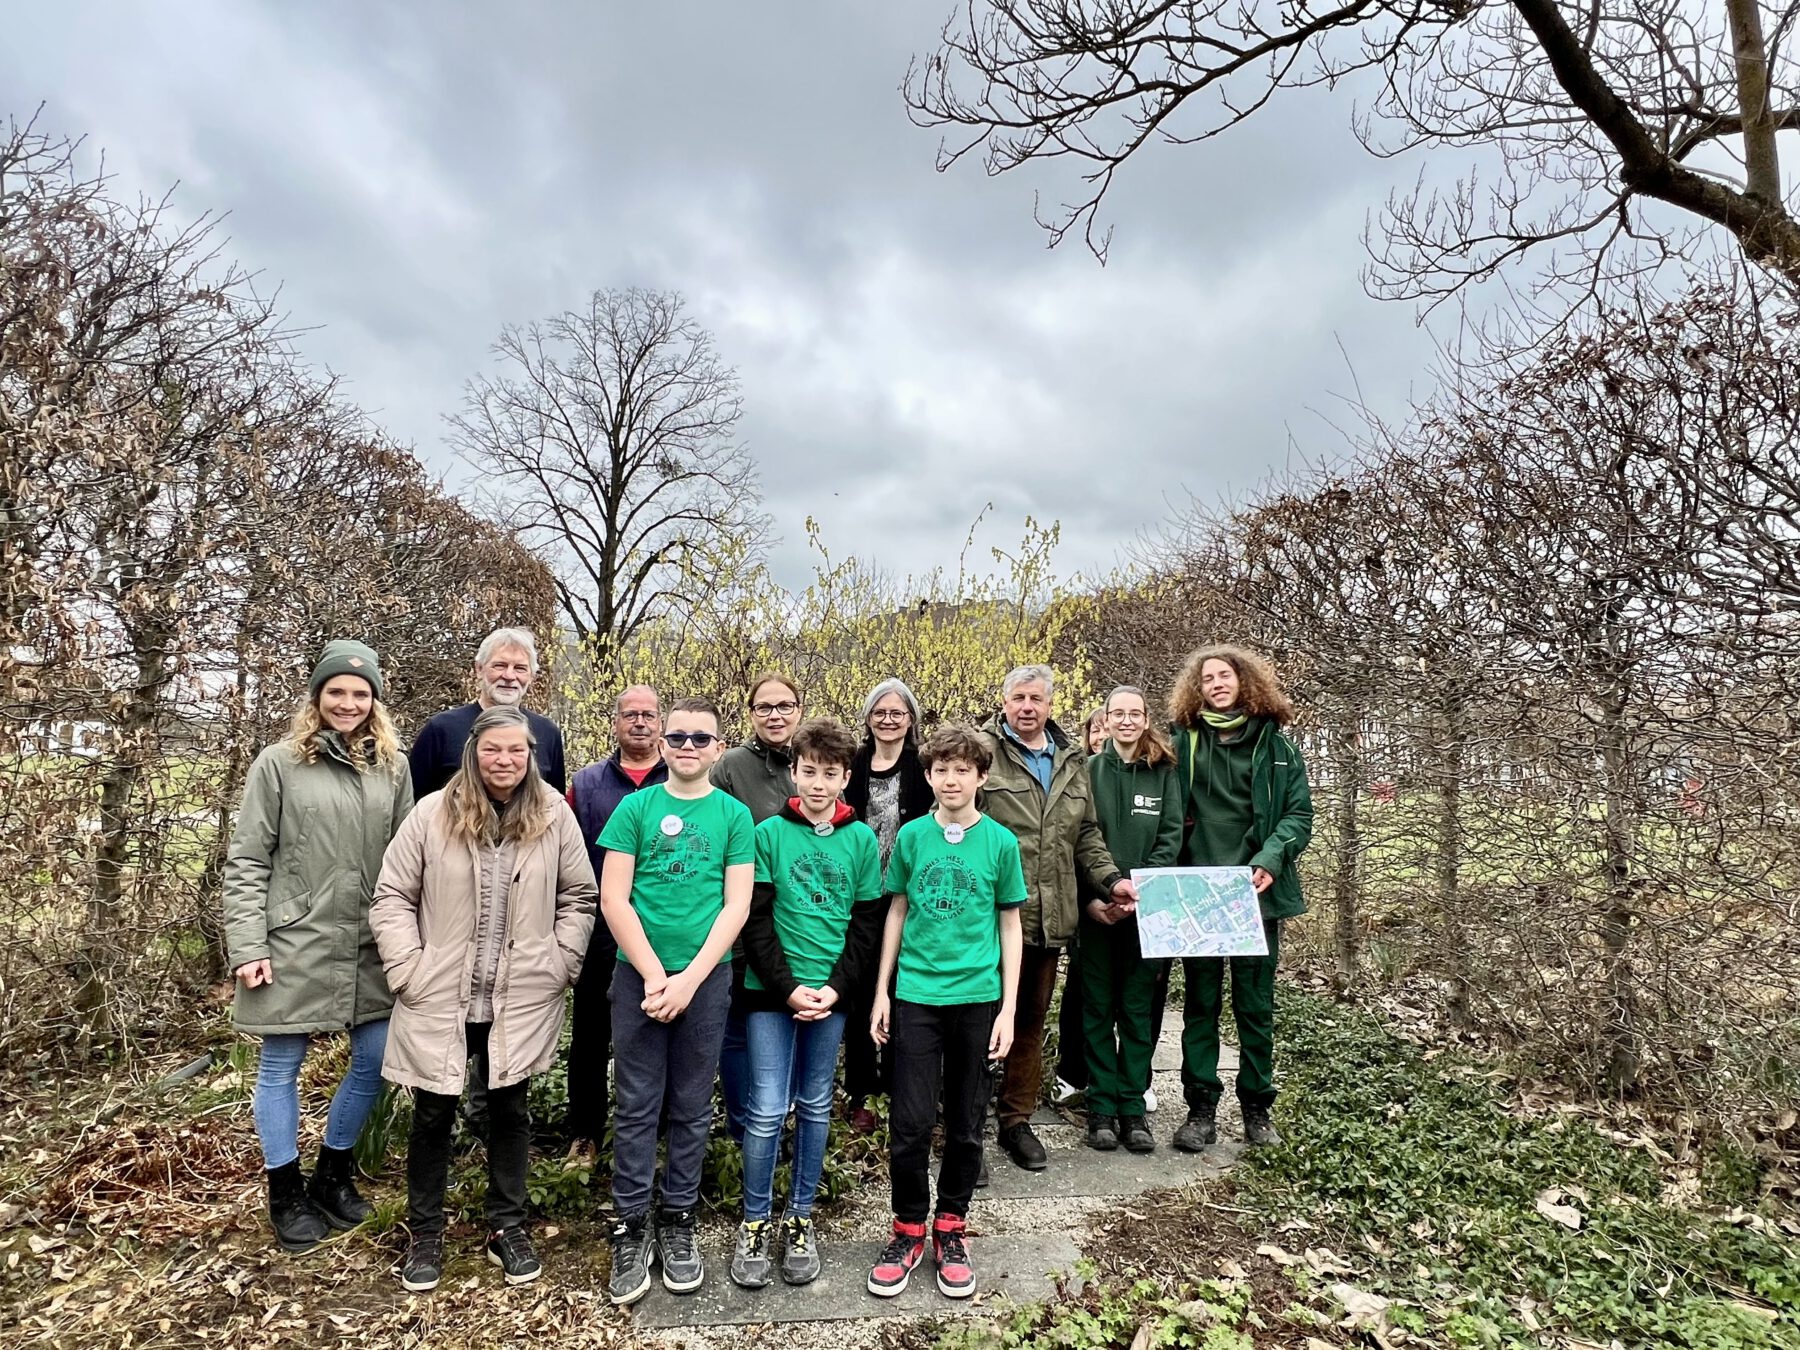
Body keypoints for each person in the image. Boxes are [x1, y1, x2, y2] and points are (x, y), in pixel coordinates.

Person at [371, 706, 596, 1292]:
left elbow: (579, 898)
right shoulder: (431, 815)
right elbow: (392, 895)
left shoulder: (553, 816)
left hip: (519, 995)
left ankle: (506, 1225)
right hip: (440, 993)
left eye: (516, 752)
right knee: (433, 1114)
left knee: (509, 1111)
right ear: (474, 753)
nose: (505, 762)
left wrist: (558, 963)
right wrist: (407, 968)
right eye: (493, 751)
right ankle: (425, 1233)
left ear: (531, 756)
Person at [223, 640, 413, 1253]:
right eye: (337, 692)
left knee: (377, 1059)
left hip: (368, 940)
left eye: (361, 694)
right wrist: (248, 943)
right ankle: (285, 1191)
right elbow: (249, 859)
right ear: (317, 697)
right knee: (281, 1067)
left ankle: (332, 1174)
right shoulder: (278, 764)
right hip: (292, 938)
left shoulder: (393, 766)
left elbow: (410, 861)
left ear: (375, 700)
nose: (349, 703)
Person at [599, 697, 755, 1306]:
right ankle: (631, 1223)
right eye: (678, 737)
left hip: (707, 979)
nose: (688, 747)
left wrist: (688, 980)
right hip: (637, 977)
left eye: (701, 738)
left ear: (718, 748)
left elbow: (736, 905)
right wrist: (655, 976)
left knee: (692, 1104)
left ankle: (678, 1218)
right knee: (637, 1103)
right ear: (662, 744)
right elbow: (614, 899)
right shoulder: (634, 809)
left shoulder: (734, 816)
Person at [868, 725, 1024, 1300]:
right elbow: (898, 912)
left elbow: (1010, 925)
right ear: (928, 776)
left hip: (978, 1002)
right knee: (909, 1123)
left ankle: (951, 1228)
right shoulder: (911, 837)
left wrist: (1008, 1009)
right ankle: (908, 1228)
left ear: (981, 777)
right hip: (917, 999)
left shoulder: (1000, 843)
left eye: (963, 770)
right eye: (940, 770)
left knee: (965, 1122)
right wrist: (882, 991)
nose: (951, 779)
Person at [732, 719, 884, 1290]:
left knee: (816, 1103)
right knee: (769, 1107)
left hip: (832, 994)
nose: (818, 784)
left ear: (846, 778)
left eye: (831, 773)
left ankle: (800, 1217)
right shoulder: (768, 833)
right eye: (809, 771)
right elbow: (755, 919)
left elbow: (865, 925)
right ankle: (754, 1221)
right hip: (773, 993)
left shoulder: (862, 840)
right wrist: (786, 988)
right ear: (794, 772)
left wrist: (836, 989)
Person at [979, 666, 1132, 1173]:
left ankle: (1015, 1122)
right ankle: (968, 1124)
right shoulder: (984, 754)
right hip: (987, 920)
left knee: (1028, 1022)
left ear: (1050, 704)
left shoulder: (1071, 761)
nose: (1027, 706)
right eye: (1018, 697)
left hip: (1048, 920)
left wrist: (1111, 882)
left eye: (1037, 698)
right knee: (976, 1022)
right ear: (1004, 703)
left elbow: (1085, 836)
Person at [1167, 645, 1313, 1152]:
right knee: (1201, 1005)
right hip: (1200, 893)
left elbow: (1298, 815)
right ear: (1197, 688)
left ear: (1245, 681)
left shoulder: (1277, 746)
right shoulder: (1181, 742)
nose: (1215, 683)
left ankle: (1256, 1108)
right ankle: (1200, 1108)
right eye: (1206, 678)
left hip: (1255, 893)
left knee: (1255, 1005)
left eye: (1224, 675)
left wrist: (1271, 858)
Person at [563, 685, 669, 1166]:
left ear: (661, 723)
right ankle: (584, 1132)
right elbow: (567, 856)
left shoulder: (683, 778)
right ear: (615, 723)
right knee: (590, 1036)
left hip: (667, 932)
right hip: (600, 932)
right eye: (631, 715)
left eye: (649, 715)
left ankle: (659, 1130)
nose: (640, 723)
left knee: (659, 1032)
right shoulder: (585, 785)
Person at [1081, 686, 1183, 1153]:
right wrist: (1104, 894)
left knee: (1138, 1011)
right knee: (1099, 1008)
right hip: (1100, 913)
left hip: (1149, 911)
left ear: (1145, 720)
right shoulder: (1088, 770)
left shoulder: (1163, 772)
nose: (1126, 721)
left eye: (1134, 714)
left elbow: (1170, 835)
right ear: (1105, 719)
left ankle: (1132, 1106)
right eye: (1117, 713)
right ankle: (1100, 1108)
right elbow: (1081, 839)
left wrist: (1141, 890)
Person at [710, 673, 804, 1143]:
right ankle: (743, 1123)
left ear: (799, 711)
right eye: (765, 707)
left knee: (785, 1023)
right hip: (740, 916)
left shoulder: (813, 762)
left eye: (784, 706)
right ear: (751, 714)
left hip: (798, 921)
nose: (775, 715)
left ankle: (780, 1118)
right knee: (737, 1028)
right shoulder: (730, 767)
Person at [841, 677, 933, 1131]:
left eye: (898, 712)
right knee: (859, 992)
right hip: (860, 896)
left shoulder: (923, 766)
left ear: (911, 719)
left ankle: (901, 1087)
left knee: (901, 990)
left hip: (908, 895)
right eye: (880, 711)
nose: (888, 719)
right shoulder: (852, 764)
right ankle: (861, 1091)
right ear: (868, 717)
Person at [409, 627, 567, 799]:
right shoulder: (441, 729)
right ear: (479, 669)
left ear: (532, 676)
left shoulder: (548, 733)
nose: (509, 675)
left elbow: (554, 806)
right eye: (500, 665)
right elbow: (415, 804)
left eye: (520, 668)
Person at [1050, 703, 1111, 1105]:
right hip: (1078, 901)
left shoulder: (1153, 775)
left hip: (1117, 893)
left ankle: (1124, 1078)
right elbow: (1069, 844)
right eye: (1096, 730)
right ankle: (1071, 1071)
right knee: (1079, 990)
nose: (1103, 736)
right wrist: (1090, 897)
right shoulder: (1077, 771)